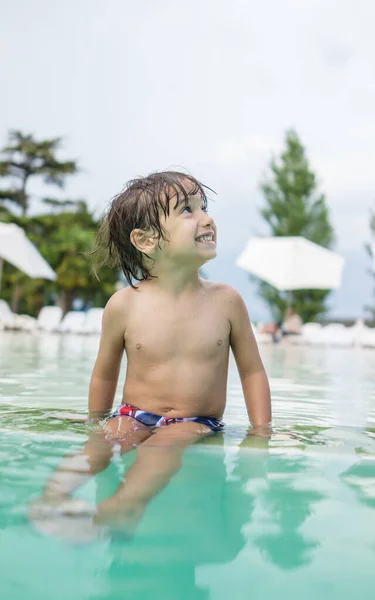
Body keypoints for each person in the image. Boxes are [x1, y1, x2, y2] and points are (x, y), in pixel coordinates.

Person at [30, 170, 271, 536]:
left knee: (165, 444)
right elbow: (104, 373)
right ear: (145, 240)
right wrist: (97, 418)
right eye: (187, 211)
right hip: (133, 413)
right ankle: (51, 498)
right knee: (104, 441)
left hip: (196, 421)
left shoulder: (227, 301)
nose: (206, 218)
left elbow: (252, 371)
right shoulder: (124, 306)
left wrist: (261, 430)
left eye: (202, 207)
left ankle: (122, 508)